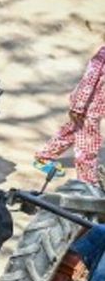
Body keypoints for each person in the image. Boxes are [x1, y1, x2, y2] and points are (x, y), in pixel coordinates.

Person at [35, 41, 105, 183]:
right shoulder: (102, 56)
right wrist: (78, 107)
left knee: (71, 132)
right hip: (87, 107)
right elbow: (88, 81)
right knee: (88, 146)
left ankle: (44, 157)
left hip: (94, 107)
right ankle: (87, 183)